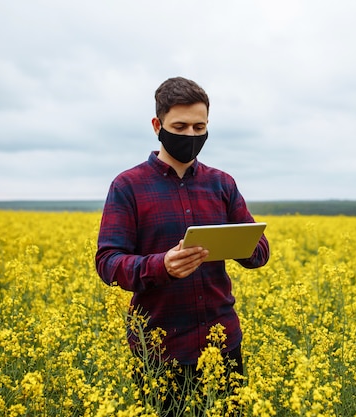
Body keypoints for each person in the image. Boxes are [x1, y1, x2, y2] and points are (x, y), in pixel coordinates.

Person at [95, 76, 270, 412]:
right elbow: (108, 262)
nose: (191, 135)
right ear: (157, 125)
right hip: (159, 349)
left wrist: (242, 245)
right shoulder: (128, 186)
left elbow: (260, 251)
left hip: (223, 343)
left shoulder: (221, 184)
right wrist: (161, 265)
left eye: (199, 126)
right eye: (181, 126)